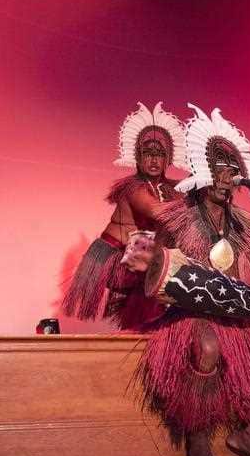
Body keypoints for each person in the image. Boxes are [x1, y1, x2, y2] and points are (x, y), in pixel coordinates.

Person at [135, 104, 250, 456]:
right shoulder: (179, 218)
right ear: (203, 174)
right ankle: (197, 435)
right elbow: (159, 263)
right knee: (207, 346)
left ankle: (248, 433)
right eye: (219, 171)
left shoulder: (244, 224)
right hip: (194, 311)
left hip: (237, 310)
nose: (225, 179)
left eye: (232, 173)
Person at [61, 102, 186, 329]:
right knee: (158, 274)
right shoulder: (133, 187)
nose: (154, 160)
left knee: (165, 268)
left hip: (140, 253)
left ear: (168, 159)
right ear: (137, 157)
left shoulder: (170, 188)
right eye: (148, 154)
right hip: (115, 258)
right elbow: (158, 211)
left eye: (160, 155)